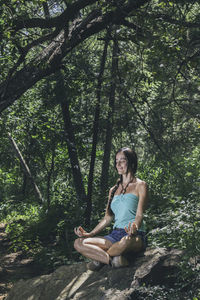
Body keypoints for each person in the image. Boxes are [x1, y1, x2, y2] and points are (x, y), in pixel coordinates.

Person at [74, 147, 148, 270]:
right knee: (79, 243)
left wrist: (134, 227)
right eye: (116, 161)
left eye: (122, 160)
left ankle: (99, 259)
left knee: (124, 242)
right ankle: (113, 260)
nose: (118, 164)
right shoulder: (113, 190)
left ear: (131, 162)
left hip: (134, 236)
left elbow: (140, 214)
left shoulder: (141, 185)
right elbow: (107, 218)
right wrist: (90, 234)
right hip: (114, 235)